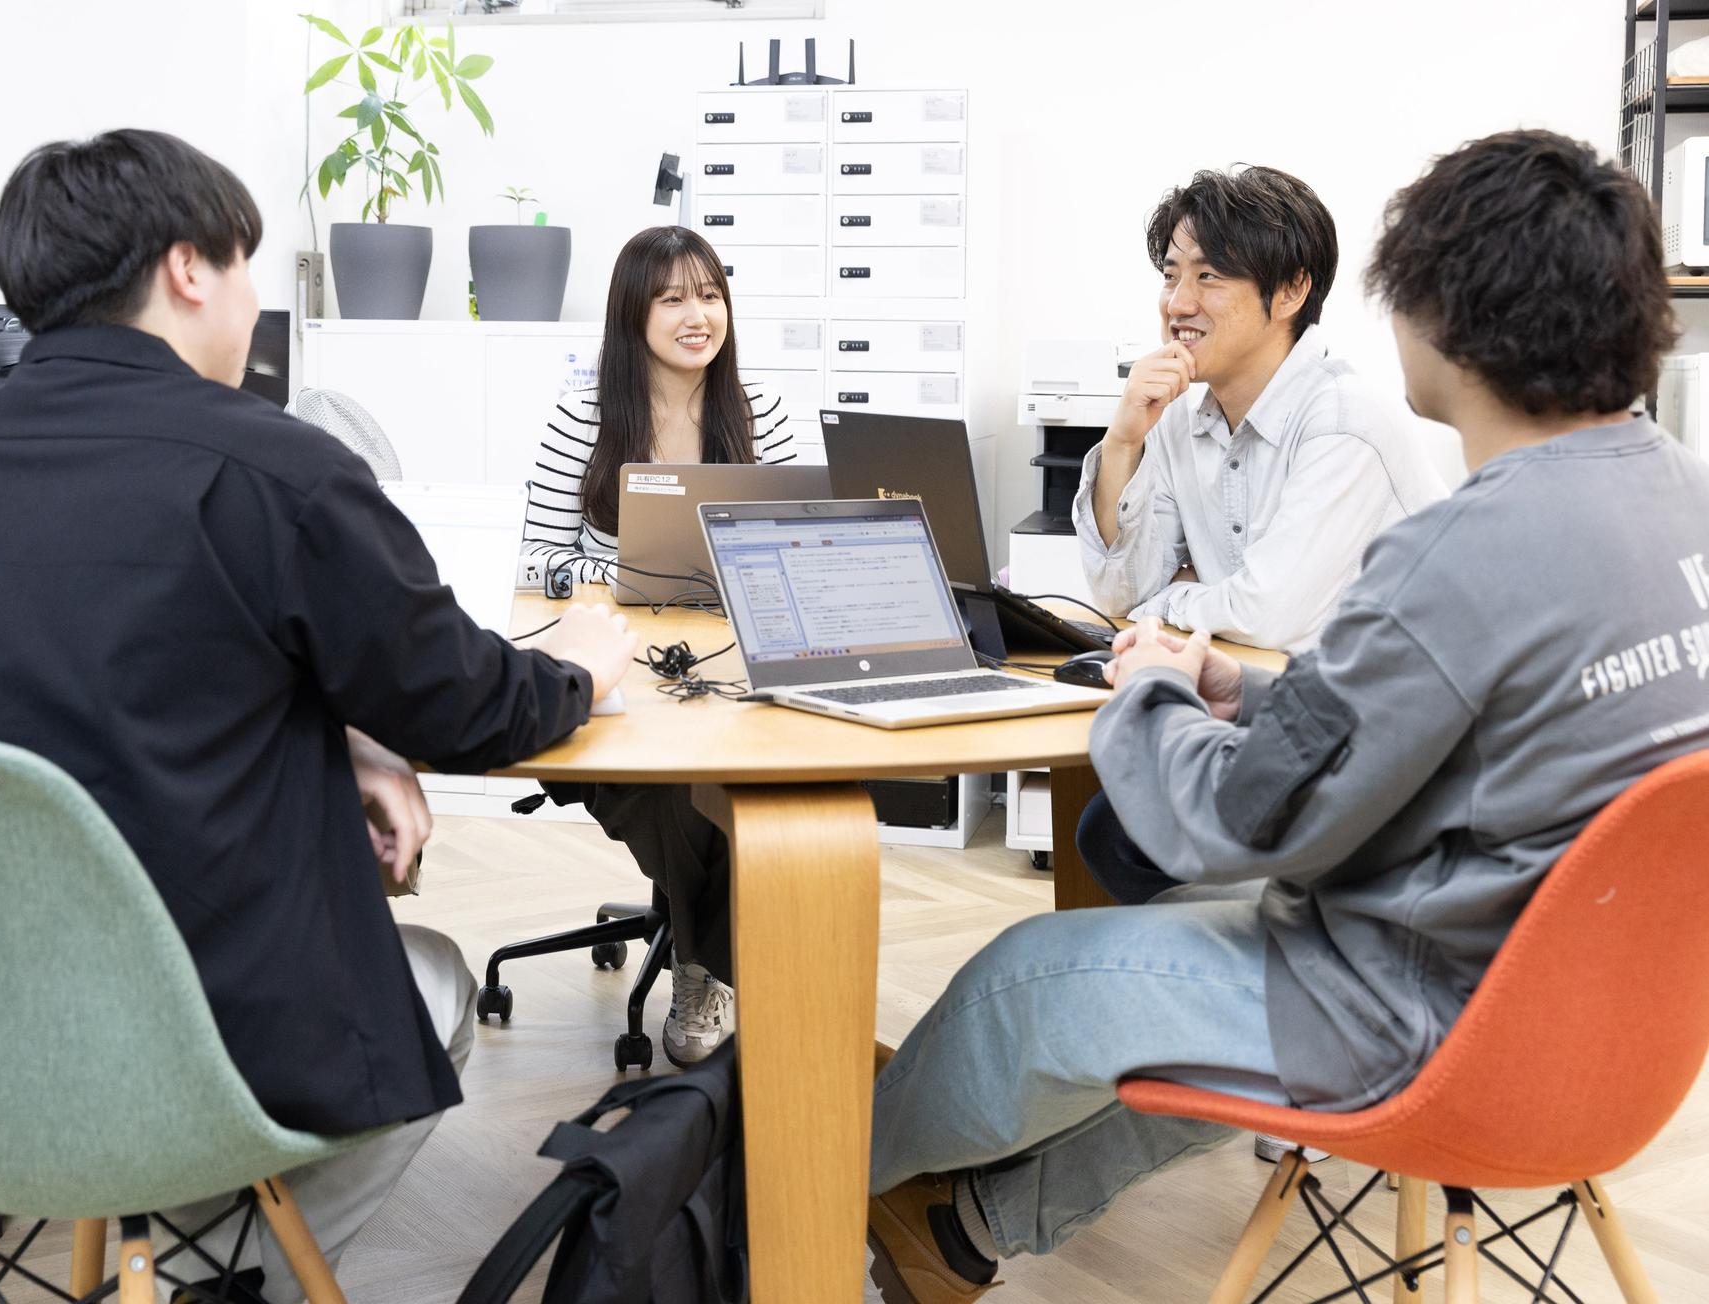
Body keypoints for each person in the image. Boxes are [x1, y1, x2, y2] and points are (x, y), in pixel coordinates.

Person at [865, 129, 1708, 1304]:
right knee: (1177, 971)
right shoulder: (1679, 491)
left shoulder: (1460, 550)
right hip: (1618, 1026)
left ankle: (789, 1189)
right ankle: (957, 1232)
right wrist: (1249, 691)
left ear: (1449, 317)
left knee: (1026, 979)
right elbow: (1461, 717)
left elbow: (1238, 821)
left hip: (1427, 1019)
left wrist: (1152, 690)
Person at [0, 129, 638, 1304]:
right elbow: (467, 704)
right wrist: (582, 668)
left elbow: (124, 685)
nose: (250, 303)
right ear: (189, 267)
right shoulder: (271, 469)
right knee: (433, 981)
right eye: (245, 266)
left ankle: (164, 1239)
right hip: (199, 1022)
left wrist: (348, 738)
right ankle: (221, 1273)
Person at [1074, 165, 1451, 907]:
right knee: (1113, 828)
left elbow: (1269, 613)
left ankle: (1276, 945)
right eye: (1171, 274)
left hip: (1386, 746)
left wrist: (1168, 604)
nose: (1178, 303)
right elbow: (1119, 591)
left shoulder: (1343, 419)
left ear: (1291, 292)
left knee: (1127, 828)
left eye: (1209, 276)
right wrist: (1123, 442)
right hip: (1276, 705)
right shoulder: (1179, 416)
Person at [518, 225, 794, 1065]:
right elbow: (534, 559)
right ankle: (710, 968)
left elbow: (796, 538)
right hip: (620, 670)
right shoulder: (586, 417)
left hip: (729, 667)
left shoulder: (760, 412)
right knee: (677, 786)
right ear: (633, 313)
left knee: (751, 777)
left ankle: (707, 958)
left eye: (709, 295)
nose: (696, 315)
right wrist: (625, 570)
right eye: (672, 298)